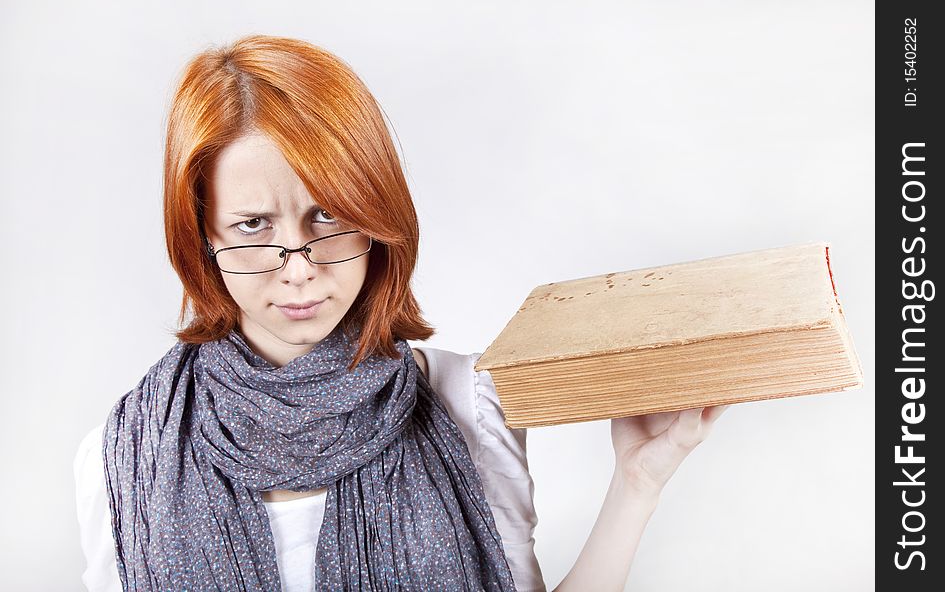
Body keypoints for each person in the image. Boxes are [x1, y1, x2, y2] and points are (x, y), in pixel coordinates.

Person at [73, 34, 728, 591]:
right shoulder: (124, 453)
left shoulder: (467, 402)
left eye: (327, 215)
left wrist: (635, 486)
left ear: (374, 218)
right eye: (252, 225)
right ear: (203, 234)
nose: (298, 267)